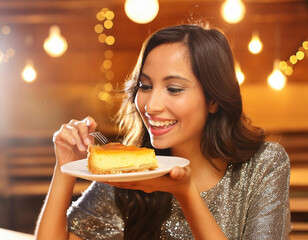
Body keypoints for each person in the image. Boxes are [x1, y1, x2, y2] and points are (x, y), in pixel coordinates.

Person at [35, 23, 291, 240]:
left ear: (213, 99)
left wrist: (185, 192)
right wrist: (64, 167)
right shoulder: (132, 169)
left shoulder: (264, 163)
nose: (152, 105)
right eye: (145, 86)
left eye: (174, 89)